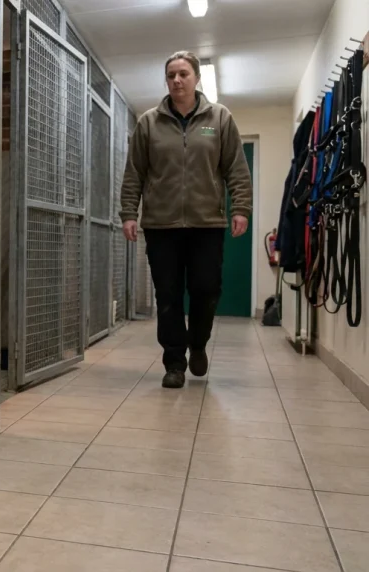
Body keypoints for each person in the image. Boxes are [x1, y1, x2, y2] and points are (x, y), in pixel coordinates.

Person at [119, 50, 253, 389]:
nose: (177, 80)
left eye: (183, 74)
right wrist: (128, 214)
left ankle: (198, 344)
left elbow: (236, 168)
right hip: (161, 225)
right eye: (171, 75)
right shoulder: (149, 122)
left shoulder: (219, 118)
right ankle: (174, 363)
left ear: (196, 78)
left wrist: (241, 208)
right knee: (168, 295)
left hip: (206, 224)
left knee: (206, 289)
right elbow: (134, 173)